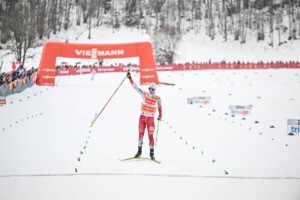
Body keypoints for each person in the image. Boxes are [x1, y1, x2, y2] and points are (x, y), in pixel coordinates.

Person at [127, 70, 162, 160]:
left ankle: (152, 153)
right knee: (140, 135)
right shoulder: (144, 94)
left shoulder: (157, 98)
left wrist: (160, 115)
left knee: (150, 136)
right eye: (150, 89)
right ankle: (139, 152)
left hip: (150, 119)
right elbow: (135, 87)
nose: (151, 91)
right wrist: (130, 78)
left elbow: (159, 106)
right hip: (142, 117)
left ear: (155, 90)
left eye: (153, 89)